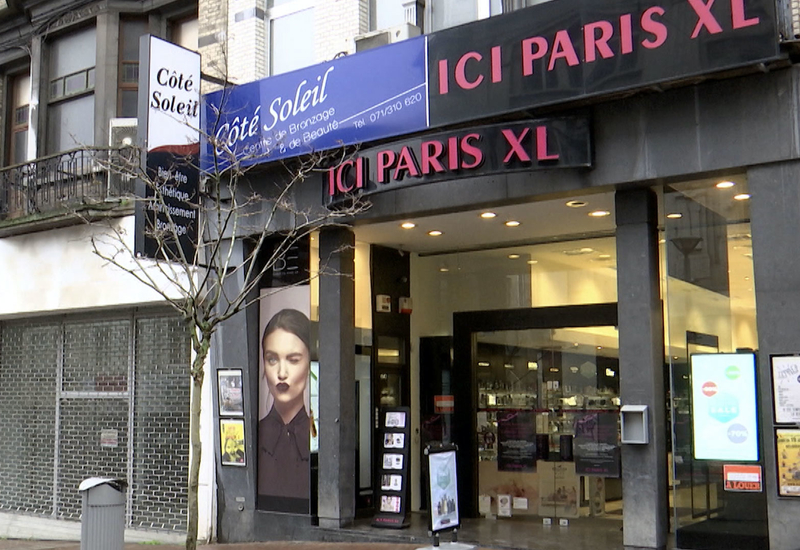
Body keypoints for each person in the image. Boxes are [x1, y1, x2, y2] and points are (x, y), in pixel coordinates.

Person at [258, 308, 312, 508]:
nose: (282, 373)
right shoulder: (256, 435)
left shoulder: (319, 438)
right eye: (272, 359)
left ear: (309, 364)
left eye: (293, 360)